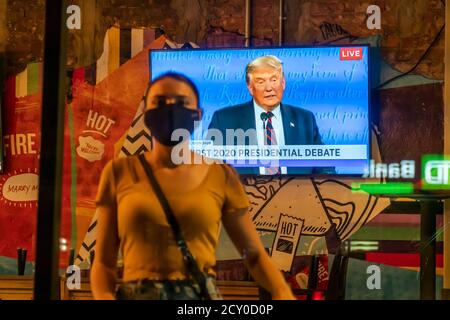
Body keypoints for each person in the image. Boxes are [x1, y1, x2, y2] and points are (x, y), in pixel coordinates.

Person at [91, 72, 295, 300]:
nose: (170, 107)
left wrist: (282, 292)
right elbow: (103, 262)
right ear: (145, 114)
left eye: (181, 102)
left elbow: (254, 255)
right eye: (159, 102)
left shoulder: (221, 175)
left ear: (197, 115)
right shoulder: (120, 172)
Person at [208, 55, 333, 174]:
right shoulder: (224, 120)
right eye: (261, 82)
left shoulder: (305, 119)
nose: (269, 88)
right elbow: (210, 171)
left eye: (274, 80)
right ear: (251, 88)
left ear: (283, 83)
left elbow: (325, 168)